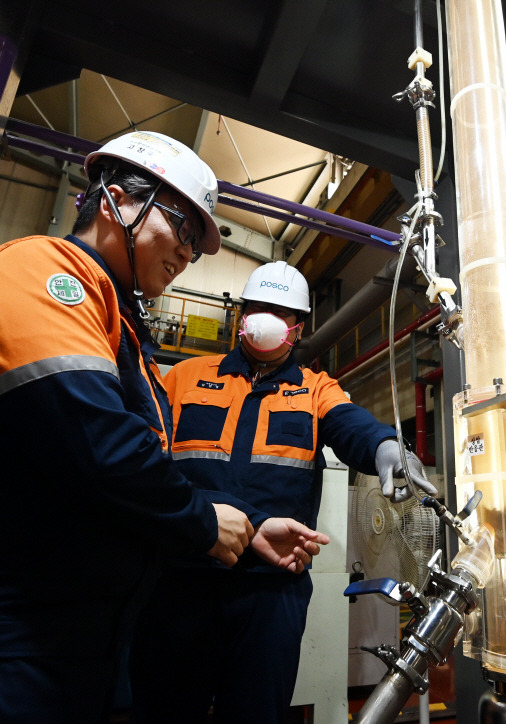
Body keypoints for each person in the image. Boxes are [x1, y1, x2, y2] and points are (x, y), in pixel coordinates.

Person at [0, 132, 327, 724]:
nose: (186, 255)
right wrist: (205, 522)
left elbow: (152, 473)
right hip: (26, 633)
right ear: (116, 200)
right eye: (181, 227)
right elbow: (103, 446)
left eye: (197, 248)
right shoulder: (47, 274)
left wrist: (242, 526)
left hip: (94, 634)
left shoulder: (125, 332)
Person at [129, 260, 438, 724]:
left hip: (271, 592)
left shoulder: (315, 390)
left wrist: (386, 446)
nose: (266, 319)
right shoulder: (184, 376)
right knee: (164, 710)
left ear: (297, 327)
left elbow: (351, 425)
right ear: (241, 315)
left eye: (280, 311)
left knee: (256, 713)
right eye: (257, 308)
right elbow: (147, 462)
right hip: (182, 579)